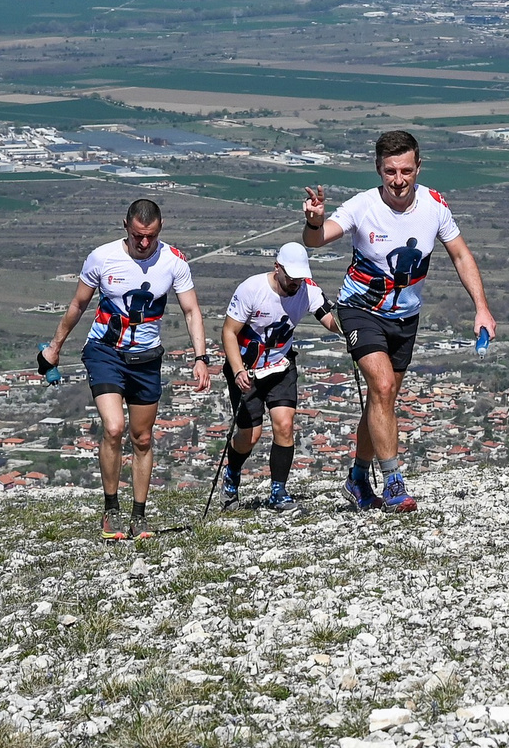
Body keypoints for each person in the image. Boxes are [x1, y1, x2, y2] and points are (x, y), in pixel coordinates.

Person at [302, 130, 497, 513]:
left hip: (405, 317)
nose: (398, 180)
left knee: (383, 399)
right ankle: (392, 484)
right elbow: (318, 239)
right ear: (378, 169)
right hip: (360, 309)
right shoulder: (363, 205)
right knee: (383, 384)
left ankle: (357, 477)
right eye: (390, 171)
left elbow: (460, 255)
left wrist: (481, 308)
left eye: (406, 170)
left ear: (418, 167)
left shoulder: (434, 205)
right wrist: (314, 222)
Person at [40, 198, 210, 541]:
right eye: (137, 236)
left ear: (159, 230)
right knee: (115, 427)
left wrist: (200, 357)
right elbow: (78, 304)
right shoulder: (102, 258)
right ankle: (111, 510)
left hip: (146, 358)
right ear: (125, 227)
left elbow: (191, 310)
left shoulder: (174, 262)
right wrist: (54, 347)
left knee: (142, 438)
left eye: (150, 236)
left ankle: (139, 516)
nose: (143, 243)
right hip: (105, 352)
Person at [219, 242, 340, 511]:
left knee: (284, 424)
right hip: (246, 368)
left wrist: (348, 315)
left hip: (280, 365)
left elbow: (330, 321)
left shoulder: (308, 290)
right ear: (278, 269)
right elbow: (229, 332)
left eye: (299, 278)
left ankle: (279, 491)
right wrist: (238, 369)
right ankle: (232, 476)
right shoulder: (252, 289)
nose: (295, 283)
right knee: (250, 434)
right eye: (291, 277)